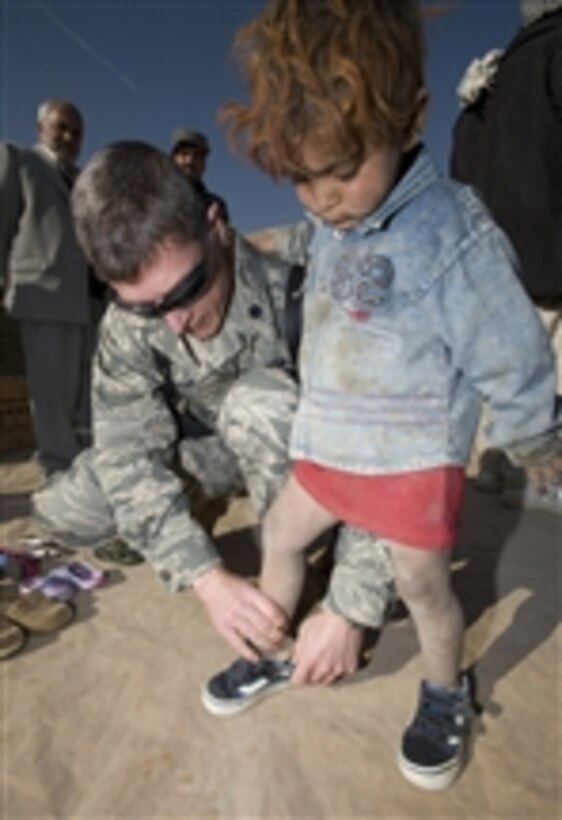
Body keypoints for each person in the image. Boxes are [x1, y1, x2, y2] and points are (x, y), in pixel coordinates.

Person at [202, 0, 562, 791]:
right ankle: (266, 650)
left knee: (424, 591)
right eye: (302, 175)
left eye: (341, 169)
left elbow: (511, 347)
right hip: (327, 447)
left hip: (408, 459)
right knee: (281, 539)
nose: (323, 196)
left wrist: (537, 439)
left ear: (410, 123)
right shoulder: (328, 226)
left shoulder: (451, 232)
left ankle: (445, 692)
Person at [32, 139, 397, 684]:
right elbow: (127, 456)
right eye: (145, 307)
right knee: (73, 507)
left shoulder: (318, 268)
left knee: (258, 405)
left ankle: (314, 567)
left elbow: (401, 440)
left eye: (186, 290)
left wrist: (354, 603)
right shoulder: (132, 325)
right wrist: (202, 574)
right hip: (211, 450)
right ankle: (200, 509)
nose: (174, 323)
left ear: (216, 225)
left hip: (319, 452)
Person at [450, 0, 562, 515]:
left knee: (508, 371)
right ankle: (536, 483)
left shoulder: (482, 86)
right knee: (549, 376)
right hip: (552, 255)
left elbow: (459, 177)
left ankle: (498, 469)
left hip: (493, 266)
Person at [0, 98, 97, 477]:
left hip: (88, 304)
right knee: (52, 401)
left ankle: (87, 481)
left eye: (77, 131)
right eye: (62, 127)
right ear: (42, 128)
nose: (70, 136)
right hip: (43, 297)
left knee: (87, 400)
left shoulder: (87, 180)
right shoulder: (18, 160)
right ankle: (59, 482)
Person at [170, 128, 230, 223]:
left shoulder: (214, 205)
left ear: (203, 166)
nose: (190, 161)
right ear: (173, 160)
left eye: (196, 156)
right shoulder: (154, 197)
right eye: (184, 154)